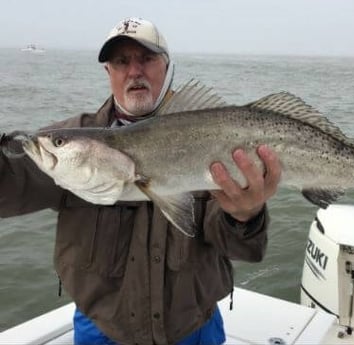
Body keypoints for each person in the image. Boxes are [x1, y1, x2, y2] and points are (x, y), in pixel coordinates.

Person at [0, 17, 281, 345]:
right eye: (121, 61)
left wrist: (245, 217)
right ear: (109, 73)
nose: (134, 71)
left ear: (166, 65)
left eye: (146, 59)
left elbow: (244, 250)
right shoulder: (67, 145)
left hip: (194, 329)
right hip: (102, 330)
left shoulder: (213, 136)